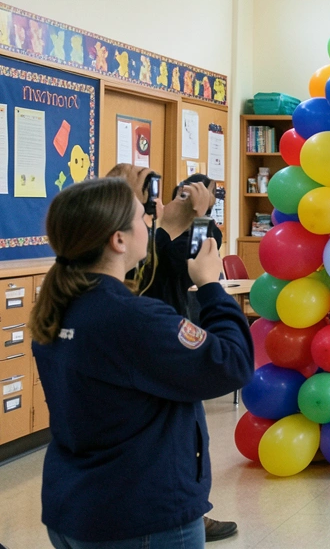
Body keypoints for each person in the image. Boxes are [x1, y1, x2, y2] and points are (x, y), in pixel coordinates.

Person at [33, 178, 252, 549]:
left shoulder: (58, 307)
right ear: (118, 240)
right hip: (141, 515)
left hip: (75, 505)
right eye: (142, 217)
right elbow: (231, 363)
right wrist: (212, 287)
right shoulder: (132, 318)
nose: (151, 222)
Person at [107, 165, 241, 542]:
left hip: (161, 337)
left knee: (185, 437)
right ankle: (184, 515)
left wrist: (196, 217)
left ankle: (194, 510)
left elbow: (187, 260)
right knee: (167, 439)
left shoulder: (153, 230)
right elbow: (171, 260)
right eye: (144, 191)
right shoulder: (141, 242)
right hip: (155, 342)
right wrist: (194, 218)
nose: (157, 197)